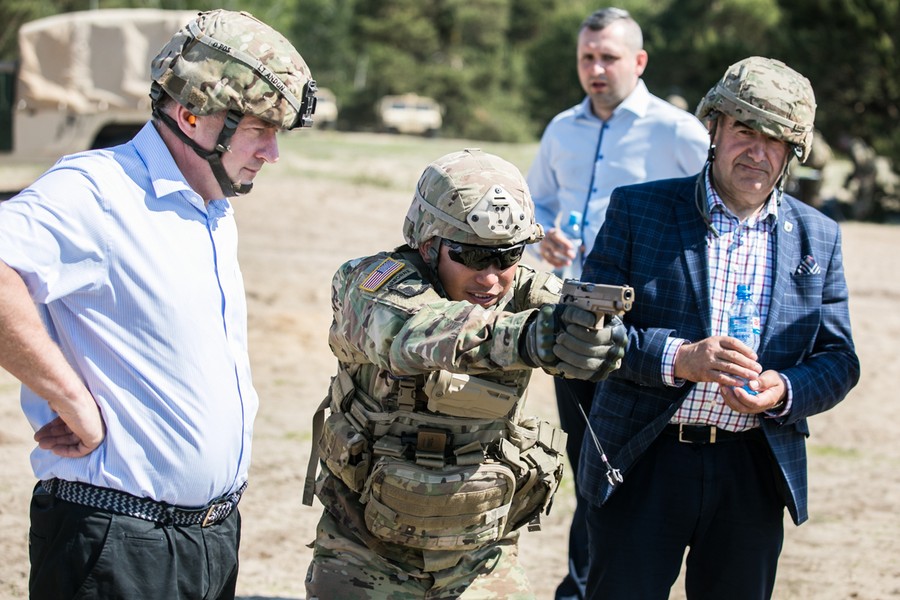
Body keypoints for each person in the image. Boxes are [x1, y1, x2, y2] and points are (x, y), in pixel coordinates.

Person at [0, 10, 317, 599]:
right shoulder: (98, 189)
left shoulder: (211, 205)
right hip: (116, 543)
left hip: (208, 539)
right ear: (192, 114)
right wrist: (69, 397)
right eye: (259, 129)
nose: (272, 153)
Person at [578, 56, 860, 599]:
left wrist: (784, 390)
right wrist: (679, 360)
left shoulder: (819, 236)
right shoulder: (638, 209)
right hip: (643, 457)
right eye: (744, 131)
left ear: (793, 152)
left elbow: (839, 359)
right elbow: (584, 332)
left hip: (752, 469)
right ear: (714, 128)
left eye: (775, 140)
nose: (757, 152)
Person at [302, 148, 629, 599]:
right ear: (428, 244)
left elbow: (572, 317)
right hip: (366, 555)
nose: (491, 279)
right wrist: (528, 337)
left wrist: (600, 338)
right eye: (471, 256)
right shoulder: (373, 284)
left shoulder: (524, 290)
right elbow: (413, 329)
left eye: (508, 255)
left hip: (482, 558)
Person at [524, 8, 709, 598]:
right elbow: (536, 202)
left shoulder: (679, 132)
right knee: (587, 463)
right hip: (574, 317)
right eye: (587, 57)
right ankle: (584, 585)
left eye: (609, 57)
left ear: (639, 61)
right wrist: (543, 236)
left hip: (644, 327)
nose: (596, 68)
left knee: (635, 462)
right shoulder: (561, 130)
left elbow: (719, 208)